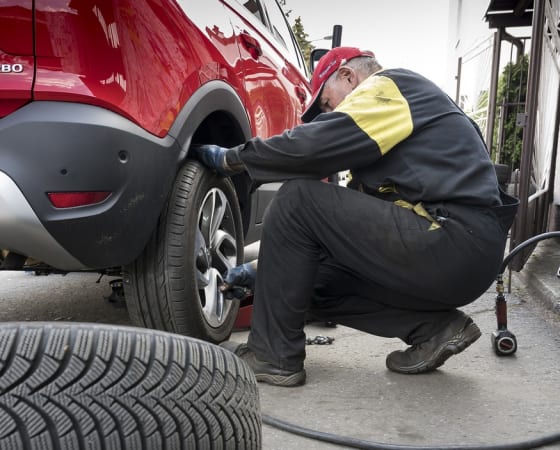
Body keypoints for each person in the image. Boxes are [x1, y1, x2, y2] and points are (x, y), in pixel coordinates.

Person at [193, 47, 518, 387]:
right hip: (456, 255)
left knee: (296, 199)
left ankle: (272, 356)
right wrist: (263, 271)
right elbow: (338, 239)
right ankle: (436, 329)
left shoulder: (390, 86)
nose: (327, 114)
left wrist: (233, 158)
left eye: (327, 103)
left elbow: (311, 147)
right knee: (313, 282)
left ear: (348, 76)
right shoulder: (387, 141)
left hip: (452, 236)